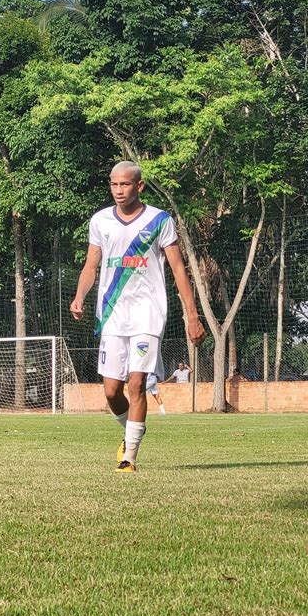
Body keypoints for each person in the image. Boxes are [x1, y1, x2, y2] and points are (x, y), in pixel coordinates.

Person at [70, 161, 205, 473]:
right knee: (110, 391)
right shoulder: (100, 221)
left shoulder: (160, 220)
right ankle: (129, 429)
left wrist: (192, 315)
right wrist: (79, 296)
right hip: (112, 314)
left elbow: (177, 269)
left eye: (125, 185)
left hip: (148, 313)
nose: (119, 191)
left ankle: (129, 457)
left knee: (137, 383)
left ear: (139, 186)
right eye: (114, 185)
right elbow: (91, 266)